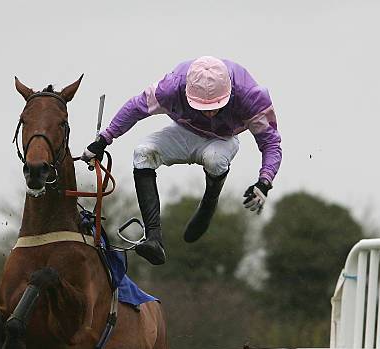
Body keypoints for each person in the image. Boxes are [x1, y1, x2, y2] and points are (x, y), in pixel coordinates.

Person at [82, 56, 282, 265]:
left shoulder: (251, 96)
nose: (209, 113)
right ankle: (154, 239)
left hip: (223, 139)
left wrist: (264, 181)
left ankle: (208, 203)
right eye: (202, 107)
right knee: (143, 153)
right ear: (187, 91)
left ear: (230, 92)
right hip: (183, 132)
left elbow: (271, 143)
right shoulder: (171, 87)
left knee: (214, 160)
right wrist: (104, 140)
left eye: (215, 106)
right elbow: (135, 108)